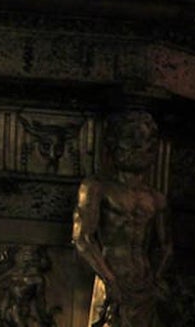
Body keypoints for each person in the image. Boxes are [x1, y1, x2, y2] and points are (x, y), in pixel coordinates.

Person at [72, 110, 171, 327]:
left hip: (144, 281)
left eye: (146, 141)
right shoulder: (97, 188)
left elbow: (165, 246)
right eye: (131, 139)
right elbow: (82, 239)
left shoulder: (156, 198)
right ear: (113, 144)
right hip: (111, 274)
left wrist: (156, 278)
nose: (139, 148)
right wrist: (110, 279)